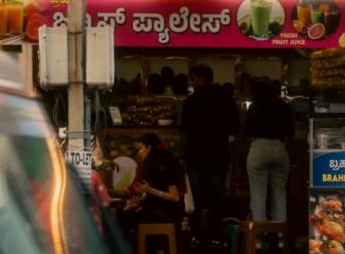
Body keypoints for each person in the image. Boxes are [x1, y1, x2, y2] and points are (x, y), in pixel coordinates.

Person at [181, 64, 239, 243]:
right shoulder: (227, 100)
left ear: (200, 78)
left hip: (196, 155)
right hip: (218, 155)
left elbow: (185, 130)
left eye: (192, 79)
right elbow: (235, 128)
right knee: (216, 197)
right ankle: (215, 235)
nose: (191, 83)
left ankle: (196, 235)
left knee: (195, 199)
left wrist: (183, 155)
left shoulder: (190, 101)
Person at [245, 77, 294, 222]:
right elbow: (290, 131)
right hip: (279, 148)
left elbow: (247, 132)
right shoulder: (283, 105)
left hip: (259, 147)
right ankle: (279, 234)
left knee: (258, 194)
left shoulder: (254, 106)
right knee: (279, 192)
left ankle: (259, 234)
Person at [120, 132, 182, 232]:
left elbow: (175, 197)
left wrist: (149, 190)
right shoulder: (151, 164)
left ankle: (141, 247)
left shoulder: (166, 164)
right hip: (154, 209)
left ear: (149, 148)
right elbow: (150, 193)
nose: (139, 152)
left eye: (141, 148)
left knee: (125, 219)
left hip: (166, 213)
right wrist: (138, 202)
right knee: (124, 214)